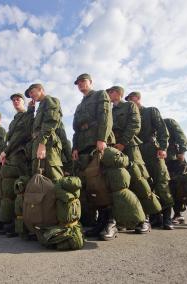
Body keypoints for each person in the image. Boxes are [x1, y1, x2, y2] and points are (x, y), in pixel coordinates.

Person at [106, 86, 161, 233]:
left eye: (110, 92)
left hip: (129, 147)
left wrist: (123, 143)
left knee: (138, 181)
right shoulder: (110, 111)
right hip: (115, 149)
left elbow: (135, 125)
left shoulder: (129, 105)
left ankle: (145, 220)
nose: (108, 95)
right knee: (119, 183)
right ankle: (125, 219)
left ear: (118, 93)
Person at [71, 73, 117, 240]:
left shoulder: (100, 95)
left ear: (90, 82)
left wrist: (102, 138)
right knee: (91, 185)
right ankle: (100, 221)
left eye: (83, 81)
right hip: (83, 146)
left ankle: (111, 222)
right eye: (78, 83)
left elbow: (106, 116)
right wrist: (75, 147)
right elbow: (76, 129)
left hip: (98, 142)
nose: (80, 84)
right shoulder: (79, 105)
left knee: (103, 183)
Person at [125, 92, 174, 230]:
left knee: (161, 183)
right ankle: (153, 217)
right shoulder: (130, 116)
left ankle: (167, 218)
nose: (129, 102)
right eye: (127, 100)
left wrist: (163, 147)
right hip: (137, 152)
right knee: (144, 185)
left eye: (131, 99)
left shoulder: (150, 111)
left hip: (153, 149)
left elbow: (162, 130)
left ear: (137, 98)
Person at [0, 93, 34, 237]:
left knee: (20, 189)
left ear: (24, 102)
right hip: (12, 156)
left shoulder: (27, 115)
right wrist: (5, 153)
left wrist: (5, 151)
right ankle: (14, 222)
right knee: (10, 190)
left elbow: (22, 135)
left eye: (18, 99)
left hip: (20, 155)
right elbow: (10, 138)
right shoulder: (13, 120)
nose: (15, 101)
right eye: (13, 100)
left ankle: (21, 224)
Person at [25, 83, 64, 182]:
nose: (31, 95)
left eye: (32, 92)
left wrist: (42, 143)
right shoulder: (39, 108)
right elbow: (31, 128)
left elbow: (50, 122)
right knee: (39, 181)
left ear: (40, 89)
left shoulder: (50, 100)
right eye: (29, 94)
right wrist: (30, 110)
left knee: (54, 179)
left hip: (47, 144)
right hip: (38, 144)